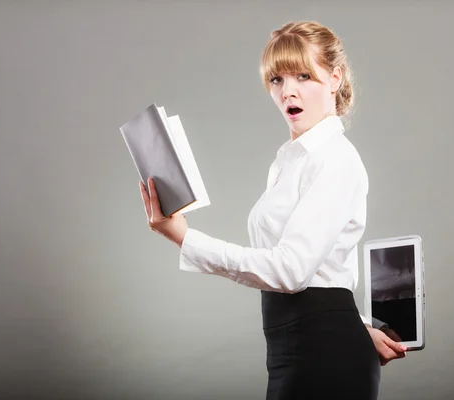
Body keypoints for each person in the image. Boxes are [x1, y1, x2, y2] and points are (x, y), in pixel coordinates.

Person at [139, 21, 406, 400]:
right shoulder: (290, 161)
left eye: (302, 75)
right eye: (277, 80)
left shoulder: (335, 159)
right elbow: (322, 270)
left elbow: (291, 270)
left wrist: (184, 237)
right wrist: (360, 324)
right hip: (294, 349)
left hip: (325, 357)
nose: (288, 91)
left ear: (334, 78)